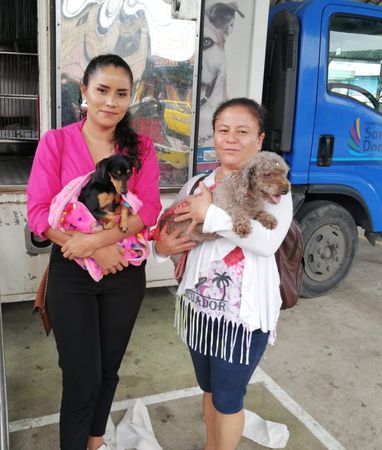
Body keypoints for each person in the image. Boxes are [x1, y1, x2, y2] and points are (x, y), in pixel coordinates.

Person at [26, 54, 161, 450]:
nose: (111, 102)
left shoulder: (141, 149)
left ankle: (95, 441)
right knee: (81, 375)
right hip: (72, 272)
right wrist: (91, 249)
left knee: (107, 369)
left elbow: (149, 210)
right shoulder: (57, 142)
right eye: (102, 90)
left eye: (121, 94)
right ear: (84, 90)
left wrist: (99, 241)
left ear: (130, 98)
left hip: (124, 274)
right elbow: (38, 213)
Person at [154, 98, 292, 450]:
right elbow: (170, 231)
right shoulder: (198, 183)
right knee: (210, 390)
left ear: (259, 140)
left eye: (242, 131)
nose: (230, 138)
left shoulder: (273, 191)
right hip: (200, 313)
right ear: (213, 136)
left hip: (242, 321)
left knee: (229, 399)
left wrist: (210, 214)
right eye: (223, 130)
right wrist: (162, 248)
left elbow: (267, 243)